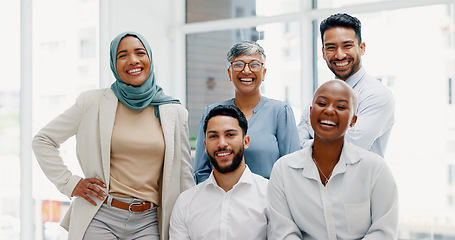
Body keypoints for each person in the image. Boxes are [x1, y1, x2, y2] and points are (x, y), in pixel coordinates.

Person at [32, 31, 194, 240]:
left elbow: (184, 176)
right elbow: (43, 140)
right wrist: (70, 183)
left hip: (149, 222)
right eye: (122, 55)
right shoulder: (92, 102)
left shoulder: (173, 112)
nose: (133, 60)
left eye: (140, 52)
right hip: (99, 216)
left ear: (150, 59)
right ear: (113, 64)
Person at [268, 80, 398, 239]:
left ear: (353, 120)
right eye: (322, 103)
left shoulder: (375, 169)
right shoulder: (283, 170)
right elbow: (283, 233)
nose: (329, 110)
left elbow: (383, 232)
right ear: (310, 112)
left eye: (341, 107)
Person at [194, 41, 300, 184]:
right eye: (238, 64)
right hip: (220, 200)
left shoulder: (280, 112)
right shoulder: (212, 113)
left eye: (254, 64)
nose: (246, 71)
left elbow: (291, 169)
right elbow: (201, 171)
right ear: (229, 73)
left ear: (264, 73)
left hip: (268, 201)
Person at [297, 13, 395, 158]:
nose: (340, 55)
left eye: (347, 46)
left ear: (361, 48)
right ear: (323, 52)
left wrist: (311, 127)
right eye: (331, 47)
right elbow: (295, 147)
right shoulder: (319, 95)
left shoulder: (377, 95)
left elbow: (346, 149)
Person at [170, 105, 269, 239]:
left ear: (245, 141)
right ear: (205, 145)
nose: (222, 143)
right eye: (213, 136)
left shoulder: (269, 195)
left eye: (230, 135)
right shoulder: (186, 202)